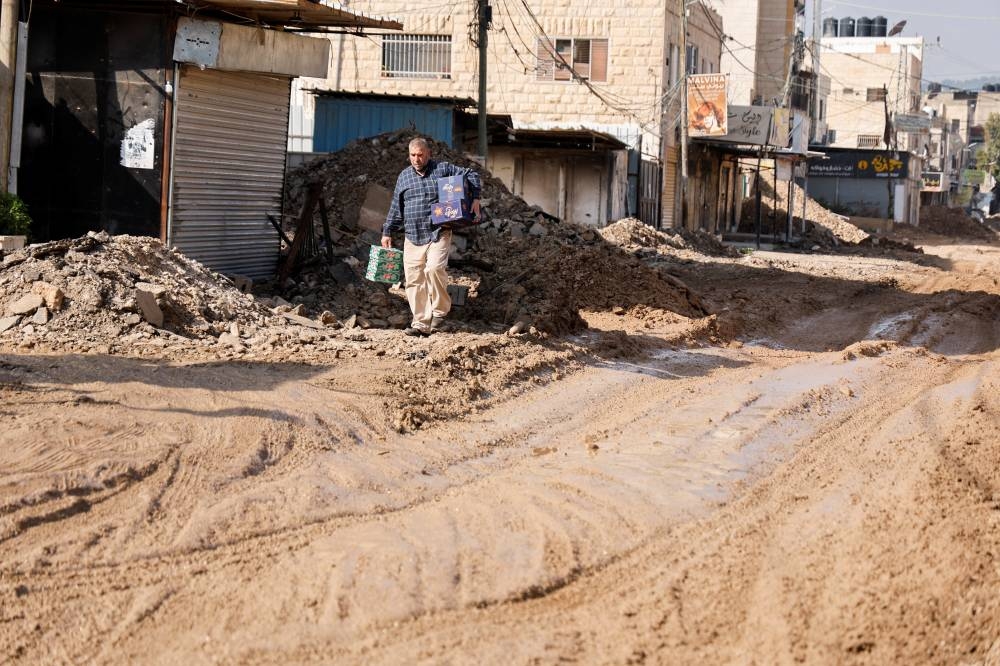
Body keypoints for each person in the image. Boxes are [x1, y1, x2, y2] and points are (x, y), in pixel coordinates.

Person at [382, 137, 481, 336]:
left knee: (434, 269)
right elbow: (395, 206)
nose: (416, 159)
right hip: (412, 233)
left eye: (420, 155)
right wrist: (387, 230)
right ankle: (420, 323)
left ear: (428, 154)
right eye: (412, 155)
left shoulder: (442, 169)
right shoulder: (404, 177)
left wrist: (476, 198)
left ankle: (439, 312)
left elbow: (471, 174)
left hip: (438, 231)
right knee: (413, 279)